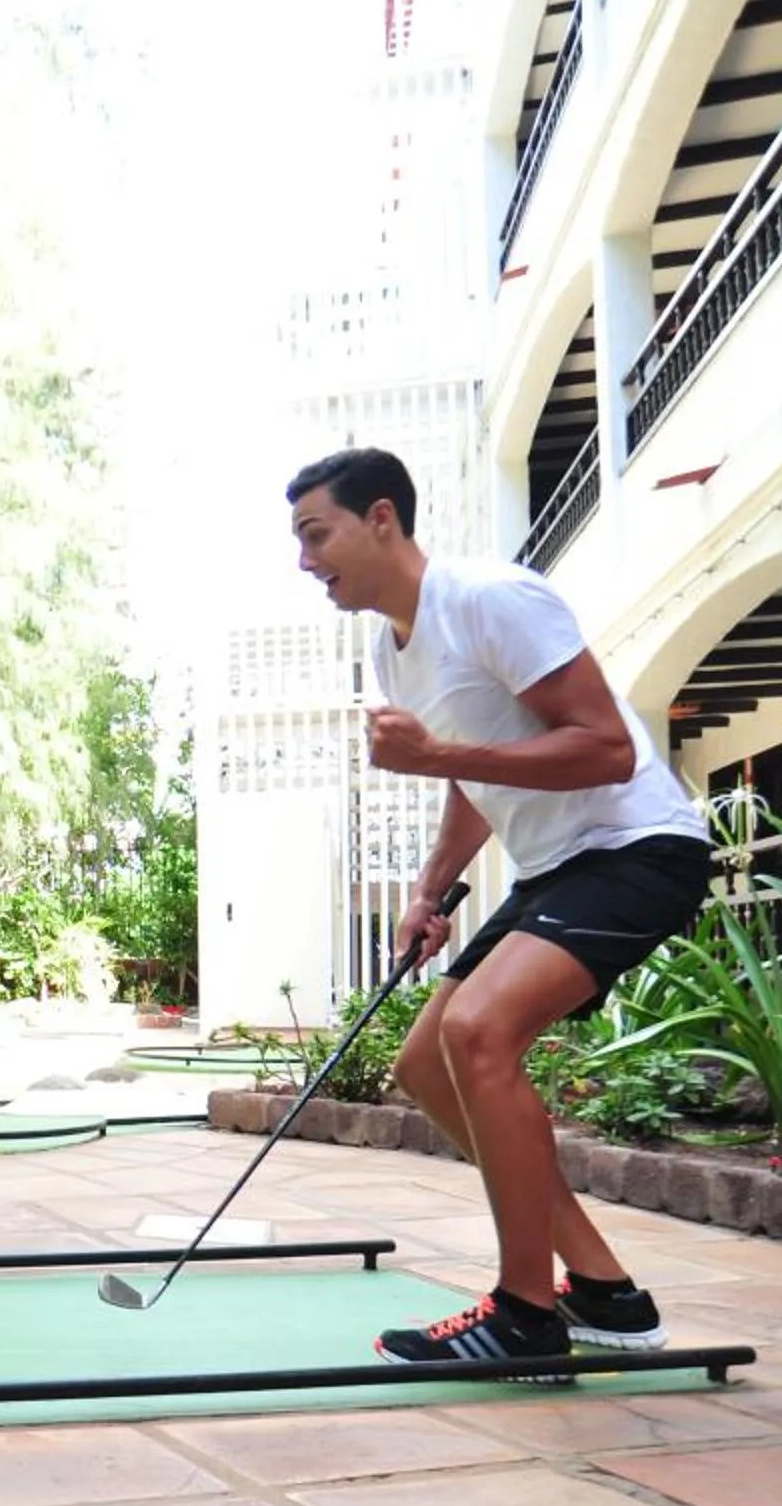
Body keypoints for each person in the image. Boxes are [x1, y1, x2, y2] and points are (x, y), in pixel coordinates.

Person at [285, 446, 713, 1369]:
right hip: (554, 867)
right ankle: (606, 1292)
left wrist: (436, 756)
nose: (307, 560)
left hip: (640, 847)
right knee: (428, 1066)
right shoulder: (391, 651)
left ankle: (526, 1313)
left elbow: (604, 750)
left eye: (317, 535)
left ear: (383, 519)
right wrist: (430, 887)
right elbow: (475, 779)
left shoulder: (490, 599)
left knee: (478, 1033)